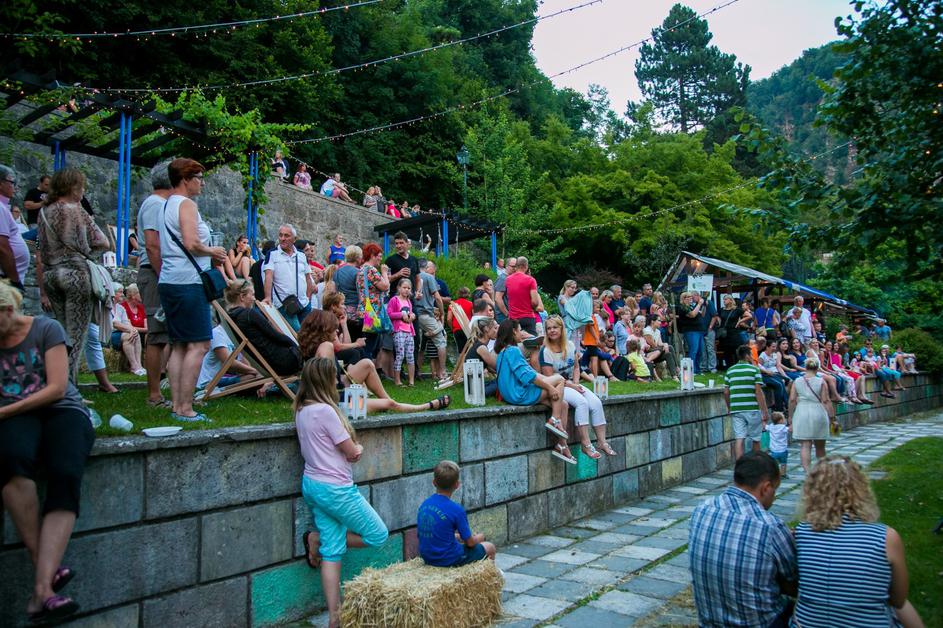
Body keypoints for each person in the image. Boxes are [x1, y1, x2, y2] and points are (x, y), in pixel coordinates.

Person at [0, 281, 95, 625]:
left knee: (66, 471)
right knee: (11, 458)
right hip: (16, 416)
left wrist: (4, 411)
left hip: (61, 409)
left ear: (8, 310)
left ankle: (41, 589)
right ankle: (45, 587)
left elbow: (56, 388)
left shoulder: (45, 328)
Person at [295, 358, 390, 628]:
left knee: (333, 551)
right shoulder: (326, 411)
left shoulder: (301, 410)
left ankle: (334, 617)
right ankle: (316, 540)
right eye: (334, 377)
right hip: (335, 488)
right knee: (377, 534)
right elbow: (351, 452)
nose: (338, 381)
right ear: (325, 380)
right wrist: (358, 449)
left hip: (312, 484)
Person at [793, 457, 924, 628]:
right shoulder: (886, 537)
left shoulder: (802, 532)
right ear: (861, 488)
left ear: (812, 491)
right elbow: (898, 600)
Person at [689, 452, 797, 628]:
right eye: (775, 490)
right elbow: (794, 582)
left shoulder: (702, 509)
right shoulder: (770, 526)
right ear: (766, 488)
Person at [157, 158, 228, 422]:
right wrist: (213, 251)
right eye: (199, 177)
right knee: (199, 344)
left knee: (179, 345)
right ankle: (186, 407)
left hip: (170, 279)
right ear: (185, 179)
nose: (202, 183)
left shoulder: (166, 204)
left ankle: (177, 405)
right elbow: (191, 243)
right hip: (188, 282)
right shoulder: (186, 204)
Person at [36, 167, 111, 383]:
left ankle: (55, 383)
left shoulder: (44, 211)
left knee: (62, 334)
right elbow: (102, 242)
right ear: (73, 187)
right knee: (76, 337)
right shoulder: (76, 210)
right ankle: (68, 388)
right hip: (75, 275)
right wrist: (86, 251)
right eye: (81, 186)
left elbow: (40, 248)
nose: (83, 190)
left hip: (51, 275)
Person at [298, 310, 450, 414]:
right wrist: (351, 393)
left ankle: (386, 398)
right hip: (338, 404)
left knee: (366, 364)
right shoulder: (326, 346)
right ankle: (425, 406)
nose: (337, 331)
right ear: (324, 330)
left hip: (334, 395)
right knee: (389, 405)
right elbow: (327, 387)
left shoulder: (317, 348)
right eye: (334, 328)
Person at [494, 319, 576, 464]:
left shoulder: (503, 351)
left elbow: (529, 372)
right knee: (559, 379)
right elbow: (527, 376)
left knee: (563, 404)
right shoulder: (513, 350)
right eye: (520, 330)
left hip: (512, 393)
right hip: (519, 394)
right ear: (513, 331)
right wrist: (550, 387)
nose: (521, 333)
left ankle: (562, 446)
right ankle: (555, 420)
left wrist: (547, 381)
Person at [540, 315, 615, 459]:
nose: (552, 331)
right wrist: (571, 386)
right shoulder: (546, 351)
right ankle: (585, 444)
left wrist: (575, 383)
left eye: (555, 327)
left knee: (596, 402)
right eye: (548, 328)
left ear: (562, 329)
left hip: (571, 383)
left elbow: (576, 368)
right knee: (582, 403)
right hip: (558, 387)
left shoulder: (570, 346)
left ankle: (602, 441)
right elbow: (550, 378)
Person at [417, 460, 497, 567]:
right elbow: (470, 543)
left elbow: (435, 533)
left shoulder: (424, 505)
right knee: (490, 547)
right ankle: (491, 576)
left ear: (434, 482)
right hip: (448, 559)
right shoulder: (456, 510)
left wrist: (458, 537)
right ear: (457, 485)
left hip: (427, 557)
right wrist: (480, 537)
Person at [226, 280, 302, 377]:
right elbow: (275, 335)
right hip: (283, 362)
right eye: (252, 295)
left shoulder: (232, 317)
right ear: (242, 297)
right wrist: (296, 346)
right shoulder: (249, 314)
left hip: (267, 364)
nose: (254, 299)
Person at [263, 224, 315, 332]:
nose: (282, 238)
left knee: (307, 334)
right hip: (285, 304)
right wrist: (268, 297)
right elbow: (268, 276)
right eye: (280, 235)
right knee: (298, 335)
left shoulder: (301, 255)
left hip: (304, 303)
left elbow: (308, 277)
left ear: (294, 239)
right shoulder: (272, 254)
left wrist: (308, 299)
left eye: (286, 235)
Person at [725, 345, 771, 459]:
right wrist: (764, 410)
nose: (752, 357)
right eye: (751, 354)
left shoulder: (730, 370)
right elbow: (758, 392)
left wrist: (729, 407)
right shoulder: (754, 370)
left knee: (739, 438)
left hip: (736, 409)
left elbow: (726, 392)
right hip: (752, 408)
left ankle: (739, 465)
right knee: (756, 438)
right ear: (747, 356)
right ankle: (755, 463)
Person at [789, 357, 830, 474]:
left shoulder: (797, 381)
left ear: (805, 368)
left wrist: (790, 416)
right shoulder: (821, 381)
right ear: (817, 368)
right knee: (820, 445)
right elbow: (826, 400)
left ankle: (808, 472)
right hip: (818, 411)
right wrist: (832, 417)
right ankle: (822, 471)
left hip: (802, 411)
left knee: (805, 445)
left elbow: (792, 399)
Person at [196, 319, 259, 393]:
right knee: (252, 377)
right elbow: (228, 362)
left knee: (254, 377)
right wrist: (255, 371)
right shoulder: (217, 333)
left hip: (220, 378)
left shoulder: (232, 335)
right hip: (208, 382)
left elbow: (243, 362)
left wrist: (254, 372)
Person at [415, 260, 448, 382]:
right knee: (441, 342)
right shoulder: (428, 277)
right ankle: (442, 373)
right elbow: (437, 298)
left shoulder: (413, 276)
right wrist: (442, 313)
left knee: (419, 346)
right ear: (426, 267)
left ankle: (417, 372)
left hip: (414, 315)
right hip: (426, 314)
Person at [355, 243, 390, 359]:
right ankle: (365, 367)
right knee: (369, 347)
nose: (381, 258)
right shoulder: (371, 270)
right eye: (379, 256)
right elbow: (385, 286)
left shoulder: (361, 270)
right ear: (372, 255)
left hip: (363, 311)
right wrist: (384, 272)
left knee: (367, 344)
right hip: (372, 313)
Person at [0, 165, 30, 293]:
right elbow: (2, 247)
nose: (15, 187)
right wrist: (15, 281)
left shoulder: (3, 207)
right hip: (6, 282)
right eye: (12, 182)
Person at [386, 278, 417, 386]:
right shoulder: (394, 300)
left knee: (410, 356)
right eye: (404, 287)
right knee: (400, 355)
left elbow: (410, 314)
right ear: (399, 288)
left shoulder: (408, 301)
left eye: (409, 288)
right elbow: (389, 314)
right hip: (398, 331)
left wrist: (412, 316)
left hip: (409, 331)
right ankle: (397, 380)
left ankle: (411, 381)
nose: (406, 290)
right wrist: (401, 315)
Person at [110, 284, 146, 375]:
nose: (123, 294)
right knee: (128, 335)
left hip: (121, 332)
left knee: (135, 334)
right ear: (113, 293)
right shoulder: (107, 307)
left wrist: (133, 330)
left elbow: (126, 323)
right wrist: (131, 330)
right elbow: (115, 324)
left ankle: (139, 365)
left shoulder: (121, 308)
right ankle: (134, 366)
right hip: (110, 334)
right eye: (120, 292)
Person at [504, 257, 542, 335]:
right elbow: (535, 302)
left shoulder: (508, 279)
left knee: (514, 340)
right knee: (531, 340)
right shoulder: (531, 280)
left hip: (513, 318)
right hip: (528, 316)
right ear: (526, 266)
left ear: (516, 266)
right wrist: (533, 307)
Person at [676, 291, 708, 374]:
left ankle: (697, 370)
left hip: (699, 330)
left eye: (691, 297)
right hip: (691, 330)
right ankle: (691, 370)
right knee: (693, 350)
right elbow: (693, 314)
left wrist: (704, 305)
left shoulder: (692, 306)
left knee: (700, 351)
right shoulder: (683, 307)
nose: (691, 298)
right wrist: (699, 304)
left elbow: (702, 314)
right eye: (689, 297)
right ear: (684, 299)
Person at [765, 411, 790, 478]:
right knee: (783, 463)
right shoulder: (783, 427)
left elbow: (764, 426)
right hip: (783, 450)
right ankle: (783, 474)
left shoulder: (771, 426)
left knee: (774, 463)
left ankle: (774, 474)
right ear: (780, 420)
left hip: (774, 450)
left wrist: (763, 421)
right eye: (784, 418)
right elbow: (790, 429)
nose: (785, 420)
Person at [493, 256, 516, 322]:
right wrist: (507, 314)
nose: (515, 269)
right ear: (507, 266)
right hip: (502, 316)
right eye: (513, 266)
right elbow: (498, 298)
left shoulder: (509, 278)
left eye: (516, 266)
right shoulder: (503, 279)